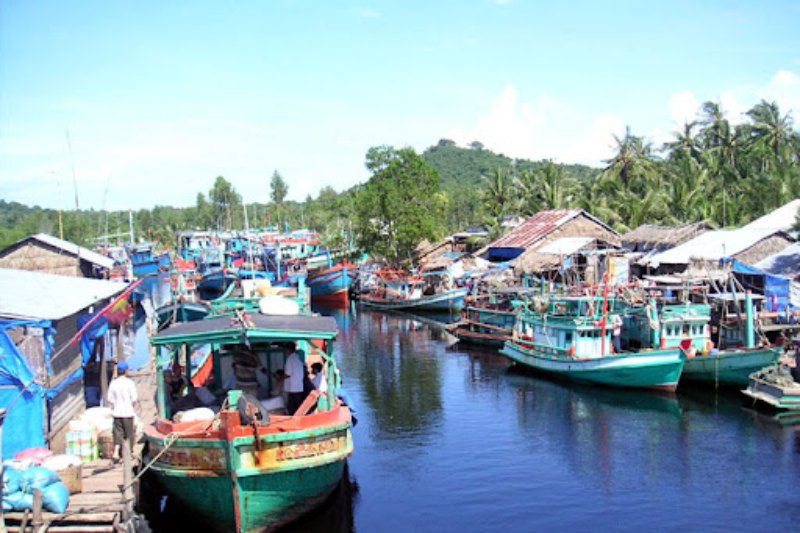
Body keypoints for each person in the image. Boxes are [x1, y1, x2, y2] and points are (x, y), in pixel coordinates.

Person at [107, 361, 138, 462]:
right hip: (128, 413)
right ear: (125, 371)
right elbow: (134, 398)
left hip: (117, 413)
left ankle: (116, 452)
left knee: (117, 433)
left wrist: (116, 404)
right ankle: (129, 453)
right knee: (129, 434)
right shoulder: (130, 383)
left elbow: (110, 399)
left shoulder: (114, 383)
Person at [283, 342, 307, 415]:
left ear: (288, 350)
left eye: (285, 350)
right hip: (298, 386)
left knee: (292, 407)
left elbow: (288, 374)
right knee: (298, 405)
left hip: (293, 387)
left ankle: (296, 420)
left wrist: (280, 378)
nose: (285, 351)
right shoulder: (298, 358)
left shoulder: (290, 359)